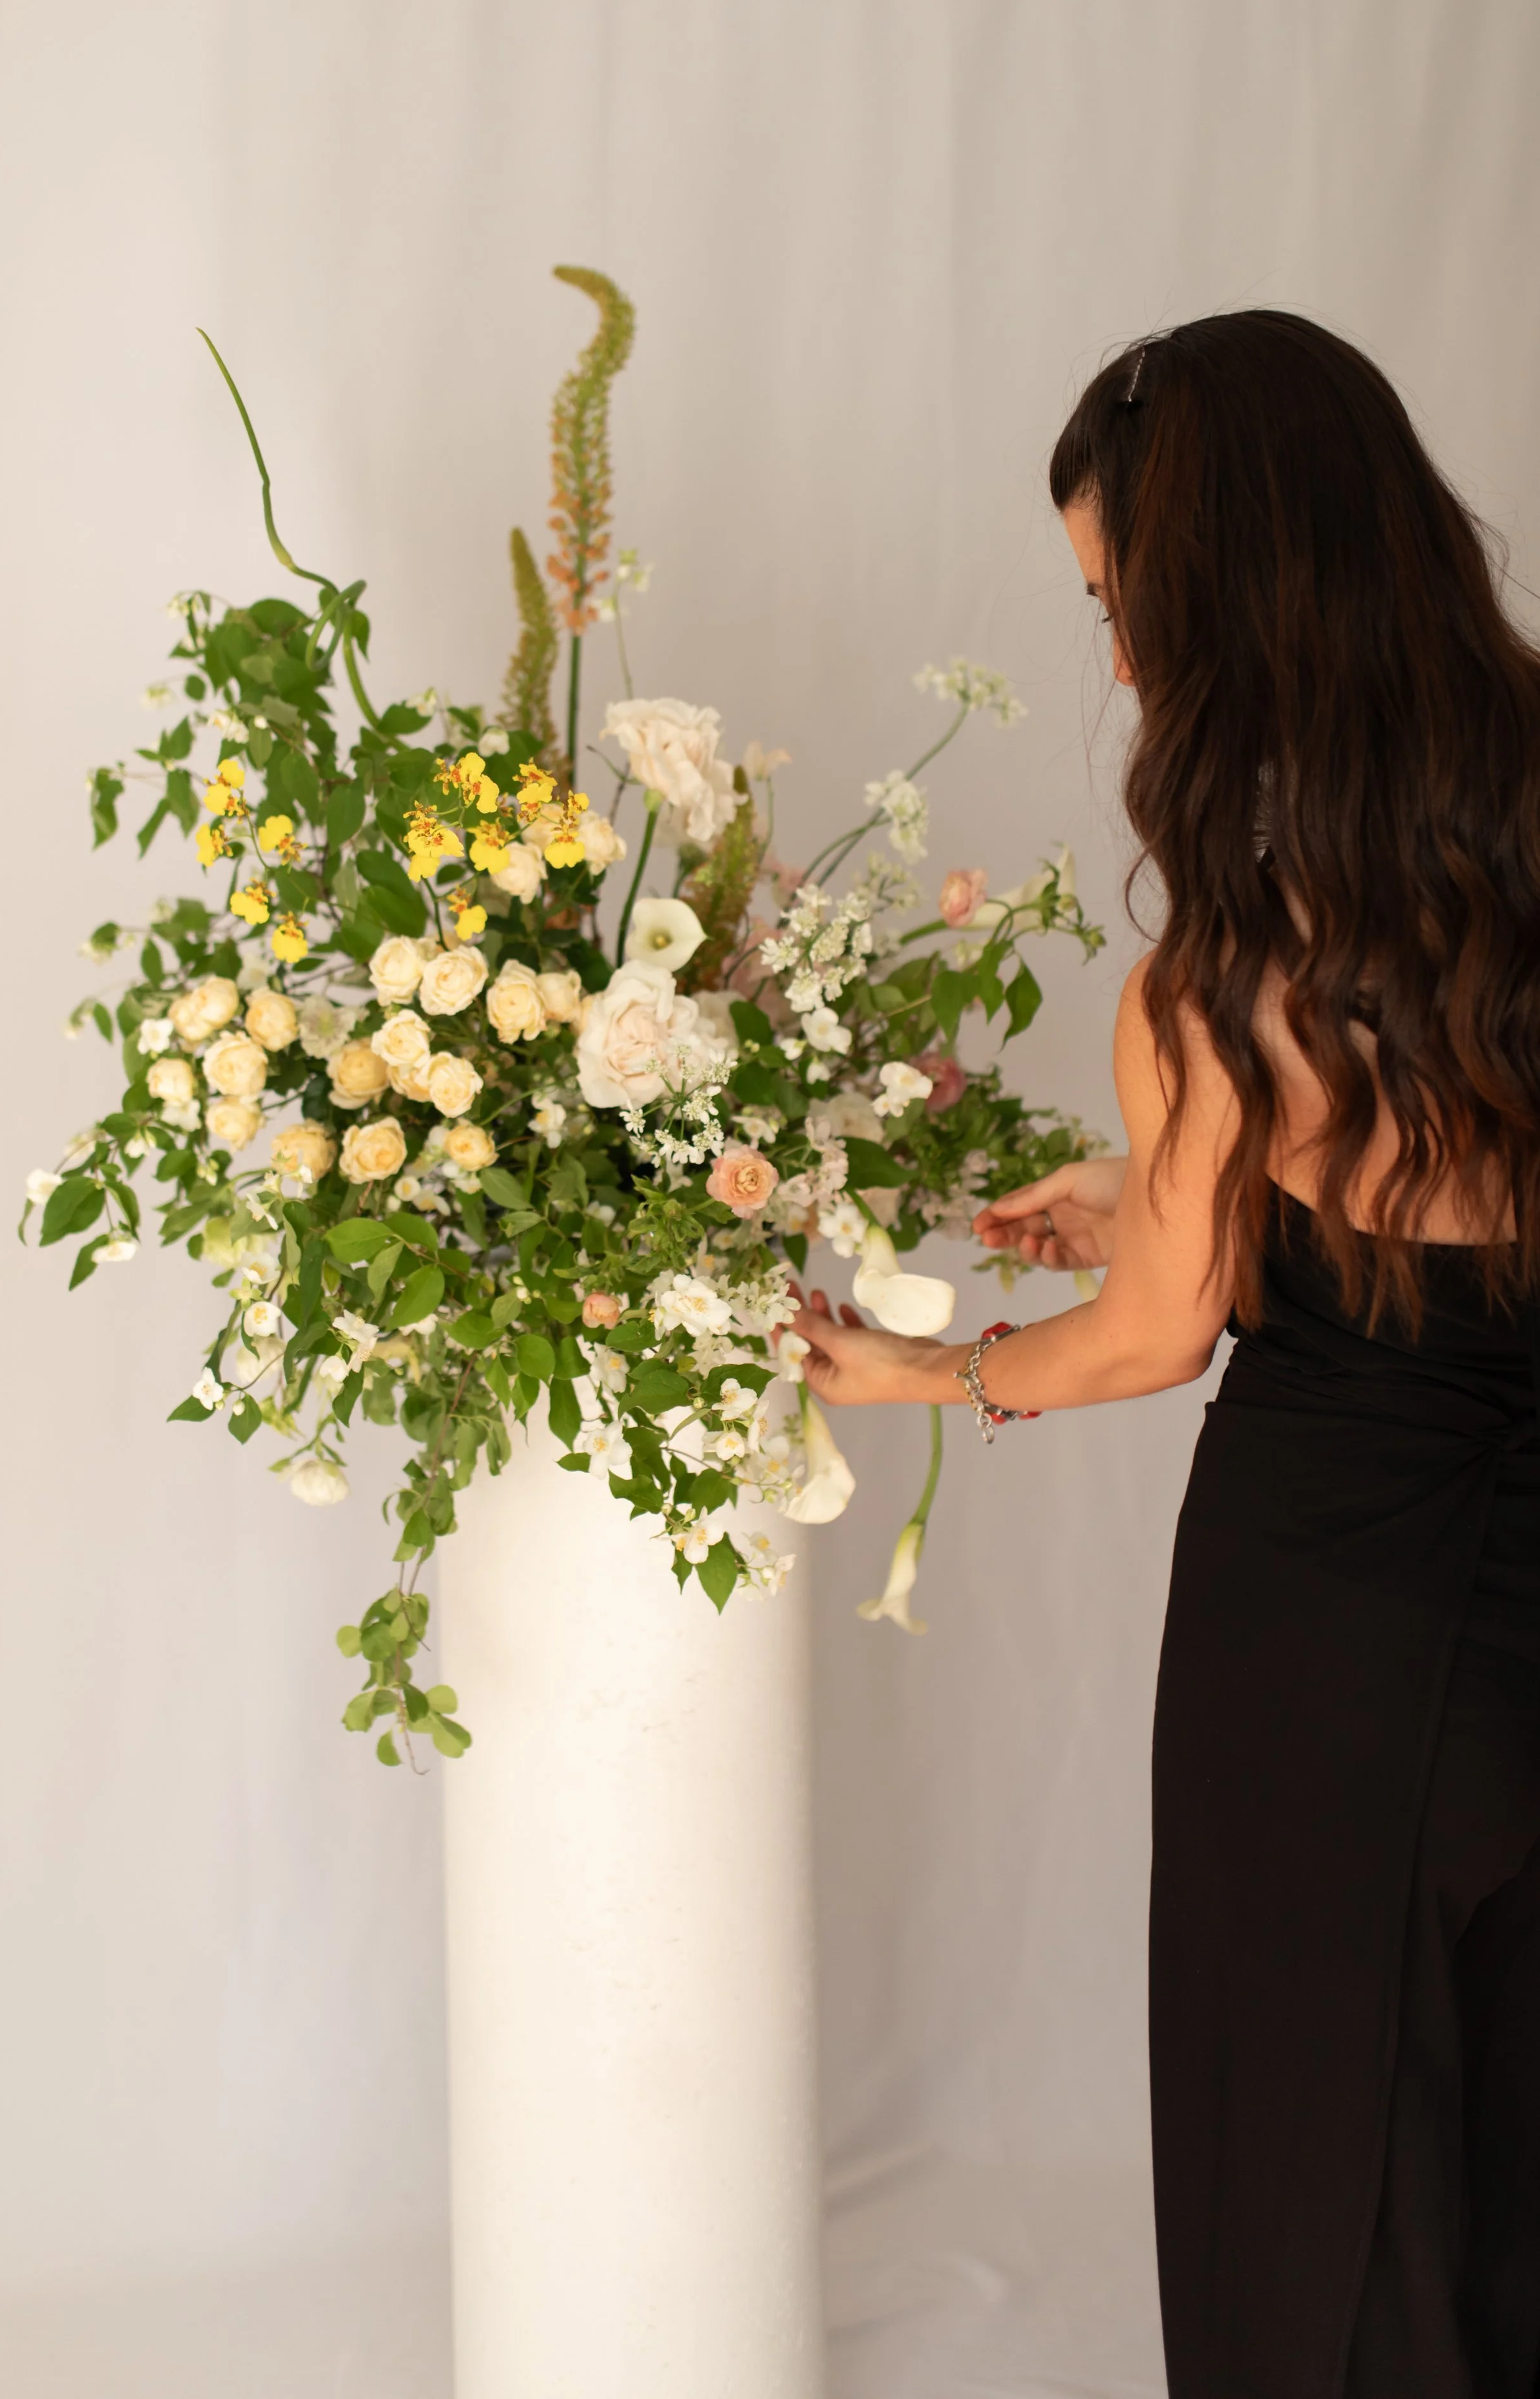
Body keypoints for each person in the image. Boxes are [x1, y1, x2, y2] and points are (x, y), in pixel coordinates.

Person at [792, 311, 1540, 2399]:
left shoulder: (1230, 963)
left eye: (1122, 602)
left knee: (1311, 2171)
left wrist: (929, 1373)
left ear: (1219, 599)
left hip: (1333, 1641)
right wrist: (1137, 1186)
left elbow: (1150, 1338)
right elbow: (1440, 1204)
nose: (1119, 659)